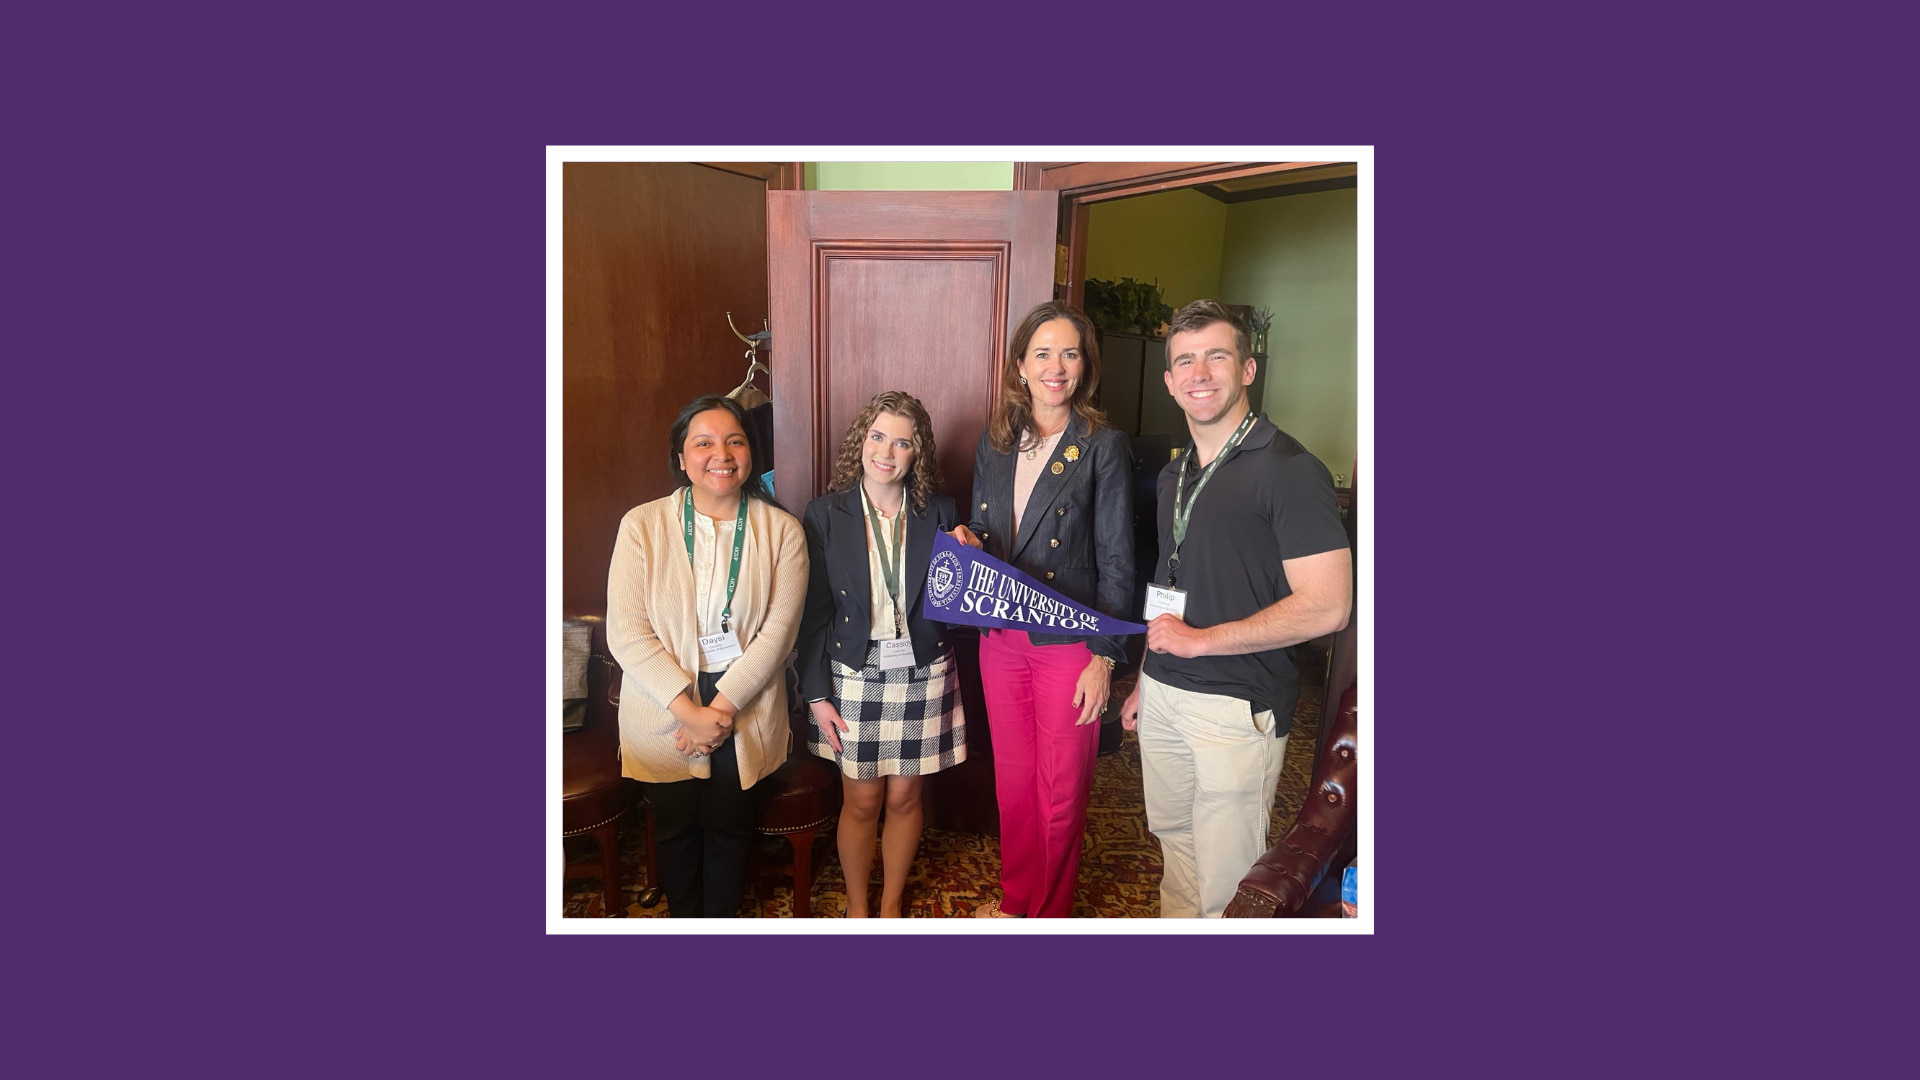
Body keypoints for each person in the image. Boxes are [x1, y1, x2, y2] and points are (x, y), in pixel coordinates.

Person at [1118, 300, 1351, 918]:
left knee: (1229, 882)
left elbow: (1329, 606)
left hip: (1236, 703)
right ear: (1168, 381)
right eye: (1185, 361)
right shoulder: (1175, 477)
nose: (1201, 372)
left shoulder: (1292, 470)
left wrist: (1200, 641)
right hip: (1166, 693)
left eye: (1216, 356)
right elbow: (1172, 586)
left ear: (1247, 368)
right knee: (1175, 850)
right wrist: (1147, 673)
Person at [950, 301, 1134, 918]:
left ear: (1084, 367)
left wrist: (1106, 657)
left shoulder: (1102, 445)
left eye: (1070, 353)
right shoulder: (997, 442)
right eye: (1043, 353)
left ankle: (1047, 920)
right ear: (1021, 366)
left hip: (1070, 645)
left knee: (1060, 794)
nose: (1056, 366)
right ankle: (1014, 904)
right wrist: (967, 540)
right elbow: (985, 527)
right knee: (1015, 784)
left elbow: (1117, 557)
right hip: (1001, 638)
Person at [605, 394, 808, 917]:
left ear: (750, 453)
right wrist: (689, 711)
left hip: (746, 705)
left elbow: (778, 634)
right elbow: (628, 632)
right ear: (681, 458)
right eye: (704, 442)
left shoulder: (782, 531)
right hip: (663, 705)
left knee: (729, 831)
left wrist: (719, 710)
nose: (721, 453)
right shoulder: (641, 526)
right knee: (673, 831)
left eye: (735, 440)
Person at [798, 391, 965, 918]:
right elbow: (813, 612)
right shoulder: (826, 513)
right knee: (862, 801)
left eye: (902, 442)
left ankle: (890, 903)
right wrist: (816, 692)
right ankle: (857, 904)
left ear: (918, 453)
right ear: (860, 441)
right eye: (877, 436)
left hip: (923, 670)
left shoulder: (939, 511)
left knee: (905, 799)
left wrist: (971, 556)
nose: (887, 452)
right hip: (853, 672)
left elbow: (956, 601)